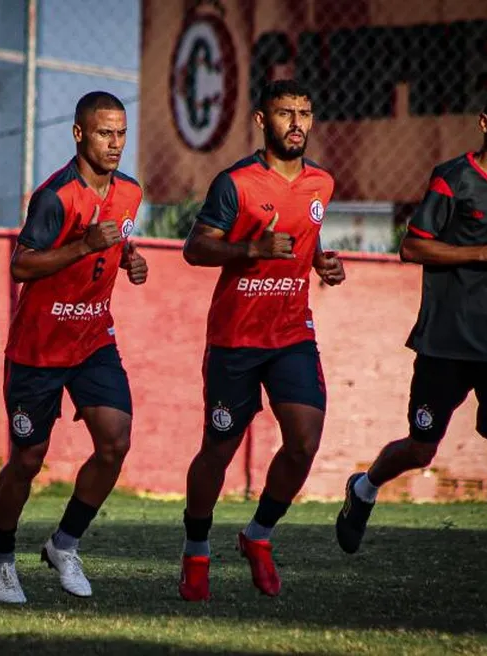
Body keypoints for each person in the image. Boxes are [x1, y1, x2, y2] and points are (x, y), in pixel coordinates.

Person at [335, 87, 487, 605]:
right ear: (485, 124)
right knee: (420, 449)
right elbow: (410, 246)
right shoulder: (452, 177)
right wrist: (484, 253)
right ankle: (364, 487)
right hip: (445, 344)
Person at [177, 79, 345, 601]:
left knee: (304, 440)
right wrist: (251, 247)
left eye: (304, 112)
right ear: (261, 121)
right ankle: (196, 550)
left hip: (292, 332)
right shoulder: (237, 183)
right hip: (236, 338)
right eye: (284, 113)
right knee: (219, 450)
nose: (296, 123)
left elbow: (304, 237)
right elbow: (195, 248)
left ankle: (258, 536)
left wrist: (321, 260)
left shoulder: (322, 183)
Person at [0, 91, 148, 604]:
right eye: (105, 132)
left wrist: (130, 259)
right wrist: (84, 245)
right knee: (28, 460)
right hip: (38, 348)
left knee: (115, 441)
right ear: (79, 133)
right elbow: (21, 266)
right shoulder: (55, 196)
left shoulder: (130, 192)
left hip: (94, 339)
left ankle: (64, 543)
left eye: (121, 133)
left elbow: (115, 240)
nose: (115, 143)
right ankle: (1, 557)